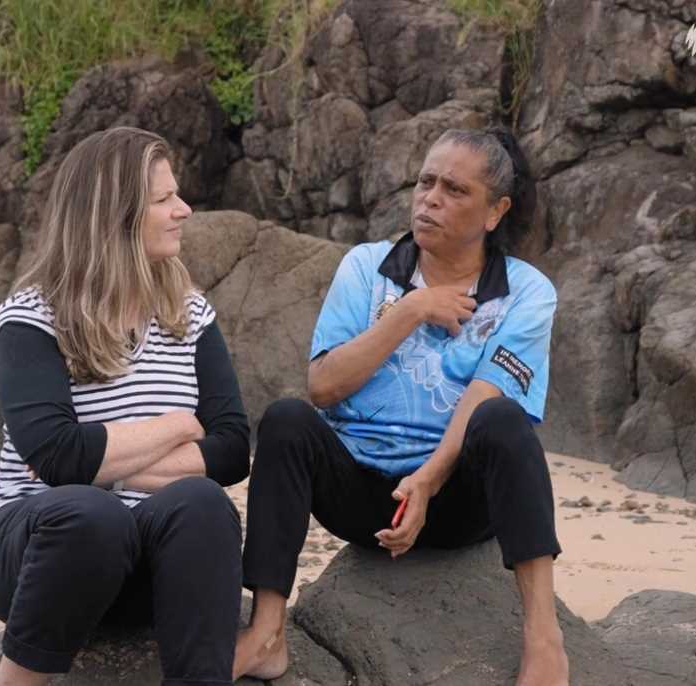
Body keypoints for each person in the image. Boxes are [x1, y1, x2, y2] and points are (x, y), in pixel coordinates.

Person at [234, 127, 570, 686]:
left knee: (506, 422)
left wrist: (428, 481)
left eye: (455, 190)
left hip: (457, 497)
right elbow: (322, 386)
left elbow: (489, 394)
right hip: (362, 494)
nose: (431, 199)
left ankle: (544, 640)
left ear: (495, 212)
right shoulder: (367, 268)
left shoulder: (527, 291)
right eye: (425, 182)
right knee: (286, 420)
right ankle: (267, 631)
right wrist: (409, 311)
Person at [0, 126, 251, 686]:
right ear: (115, 214)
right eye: (165, 199)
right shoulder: (34, 318)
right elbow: (56, 458)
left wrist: (100, 460)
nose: (184, 210)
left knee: (201, 502)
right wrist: (177, 425)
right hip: (37, 553)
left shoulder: (189, 314)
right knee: (88, 513)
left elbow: (234, 450)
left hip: (151, 562)